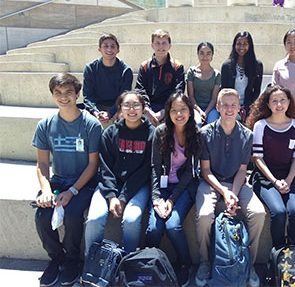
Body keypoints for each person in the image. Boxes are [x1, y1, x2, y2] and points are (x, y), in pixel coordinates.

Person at [32, 73, 102, 286]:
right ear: (53, 95)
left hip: (83, 182)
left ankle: (72, 260)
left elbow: (93, 165)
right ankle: (56, 259)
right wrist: (45, 189)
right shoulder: (45, 124)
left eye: (69, 92)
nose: (64, 97)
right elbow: (42, 164)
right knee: (42, 215)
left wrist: (72, 191)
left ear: (77, 94)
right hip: (57, 181)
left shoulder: (91, 124)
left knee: (72, 214)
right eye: (58, 93)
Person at [195, 88, 266, 287]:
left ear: (239, 109)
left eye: (233, 105)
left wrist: (232, 195)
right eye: (224, 105)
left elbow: (243, 170)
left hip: (236, 183)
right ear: (217, 107)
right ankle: (204, 262)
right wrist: (225, 193)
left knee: (258, 213)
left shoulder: (246, 134)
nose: (229, 109)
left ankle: (248, 264)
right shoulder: (205, 133)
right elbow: (206, 171)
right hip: (211, 182)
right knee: (204, 216)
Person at [85, 91, 154, 256]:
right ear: (120, 109)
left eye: (136, 105)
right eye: (127, 105)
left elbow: (145, 171)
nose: (132, 109)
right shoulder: (110, 133)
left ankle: (127, 263)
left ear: (143, 108)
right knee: (94, 219)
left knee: (131, 219)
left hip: (137, 186)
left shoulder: (152, 134)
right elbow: (104, 167)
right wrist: (111, 196)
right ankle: (91, 263)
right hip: (110, 186)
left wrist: (123, 198)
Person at [145, 92, 202, 287]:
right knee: (154, 227)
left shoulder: (196, 133)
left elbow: (190, 174)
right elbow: (154, 167)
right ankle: (149, 263)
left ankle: (185, 264)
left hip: (183, 187)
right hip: (161, 188)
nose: (179, 114)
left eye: (183, 109)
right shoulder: (160, 132)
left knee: (172, 226)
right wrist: (156, 199)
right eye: (174, 110)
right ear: (168, 112)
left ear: (190, 111)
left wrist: (171, 201)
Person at [246, 85, 295, 250]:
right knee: (279, 213)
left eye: (283, 100)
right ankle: (279, 255)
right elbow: (257, 157)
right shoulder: (260, 125)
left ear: (289, 102)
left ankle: (293, 255)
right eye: (274, 101)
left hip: (290, 175)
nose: (279, 104)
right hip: (266, 177)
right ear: (268, 104)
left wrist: (288, 180)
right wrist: (275, 181)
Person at [135, 29, 185, 126]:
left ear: (169, 46)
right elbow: (140, 89)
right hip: (149, 108)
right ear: (152, 45)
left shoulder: (177, 67)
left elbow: (178, 91)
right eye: (157, 43)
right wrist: (147, 110)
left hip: (170, 108)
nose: (161, 46)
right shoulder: (145, 66)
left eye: (164, 43)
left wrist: (164, 111)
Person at [83, 33, 133, 126]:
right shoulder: (90, 68)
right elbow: (88, 96)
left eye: (112, 46)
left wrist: (110, 113)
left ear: (118, 50)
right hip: (96, 107)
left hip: (117, 107)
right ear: (99, 49)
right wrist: (96, 112)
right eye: (105, 46)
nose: (109, 49)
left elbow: (123, 97)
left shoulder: (126, 70)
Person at [221, 31, 263, 122]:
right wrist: (234, 105)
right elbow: (224, 90)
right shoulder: (226, 66)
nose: (241, 47)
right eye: (239, 44)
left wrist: (246, 106)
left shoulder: (257, 65)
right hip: (230, 106)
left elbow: (256, 91)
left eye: (245, 44)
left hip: (249, 106)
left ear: (250, 46)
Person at [187, 41, 221, 126]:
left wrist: (206, 112)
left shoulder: (217, 74)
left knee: (212, 125)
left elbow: (214, 98)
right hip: (195, 108)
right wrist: (200, 111)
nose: (205, 57)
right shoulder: (191, 72)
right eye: (202, 53)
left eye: (208, 53)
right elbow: (191, 96)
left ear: (212, 55)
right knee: (197, 123)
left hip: (211, 109)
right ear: (197, 54)